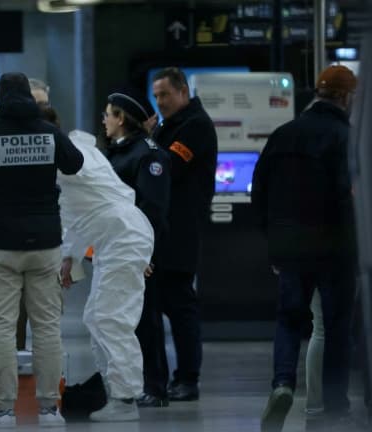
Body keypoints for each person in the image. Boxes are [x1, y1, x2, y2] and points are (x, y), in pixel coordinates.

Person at [0, 72, 84, 428]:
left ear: (0, 96)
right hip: (45, 243)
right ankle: (50, 409)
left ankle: (4, 410)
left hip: (0, 245)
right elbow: (75, 163)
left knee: (3, 330)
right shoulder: (48, 132)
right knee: (48, 327)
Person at [252, 65, 358, 432]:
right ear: (345, 98)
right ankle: (333, 408)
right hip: (335, 248)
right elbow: (349, 196)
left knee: (289, 319)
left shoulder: (283, 134)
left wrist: (273, 244)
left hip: (289, 247)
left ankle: (282, 384)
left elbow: (259, 190)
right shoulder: (345, 137)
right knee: (335, 327)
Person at [59, 129, 155, 421]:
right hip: (119, 237)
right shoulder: (89, 160)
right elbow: (78, 217)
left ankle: (125, 399)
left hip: (123, 237)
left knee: (111, 319)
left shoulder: (71, 168)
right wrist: (69, 258)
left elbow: (71, 216)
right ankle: (115, 391)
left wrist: (67, 257)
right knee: (97, 317)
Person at [149, 67, 217, 402]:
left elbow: (165, 169)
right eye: (156, 95)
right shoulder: (169, 126)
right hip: (162, 234)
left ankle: (188, 378)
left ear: (183, 93)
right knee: (161, 306)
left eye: (165, 94)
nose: (160, 101)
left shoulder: (195, 127)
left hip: (180, 232)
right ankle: (163, 379)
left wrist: (146, 141)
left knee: (180, 308)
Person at [101, 88, 171, 408]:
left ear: (120, 119)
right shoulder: (118, 151)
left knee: (146, 318)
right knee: (121, 318)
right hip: (117, 248)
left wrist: (144, 255)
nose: (103, 120)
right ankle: (129, 382)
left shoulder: (147, 153)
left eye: (108, 114)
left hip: (137, 250)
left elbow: (151, 208)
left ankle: (155, 386)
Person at [17, 78, 53, 352]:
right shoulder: (2, 135)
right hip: (11, 240)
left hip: (48, 238)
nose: (41, 110)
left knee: (46, 319)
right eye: (35, 103)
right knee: (11, 320)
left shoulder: (56, 135)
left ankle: (48, 387)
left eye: (45, 104)